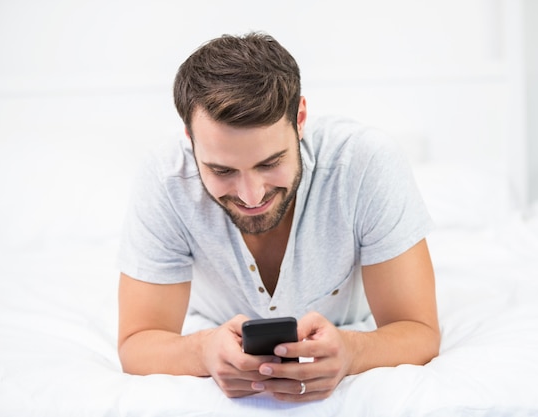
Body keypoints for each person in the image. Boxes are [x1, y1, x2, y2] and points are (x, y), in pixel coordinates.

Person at [117, 31, 440, 402]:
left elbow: (418, 330)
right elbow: (137, 343)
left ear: (300, 119)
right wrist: (201, 351)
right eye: (222, 171)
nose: (250, 195)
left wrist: (353, 352)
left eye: (270, 163)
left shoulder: (366, 163)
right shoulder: (164, 179)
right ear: (190, 139)